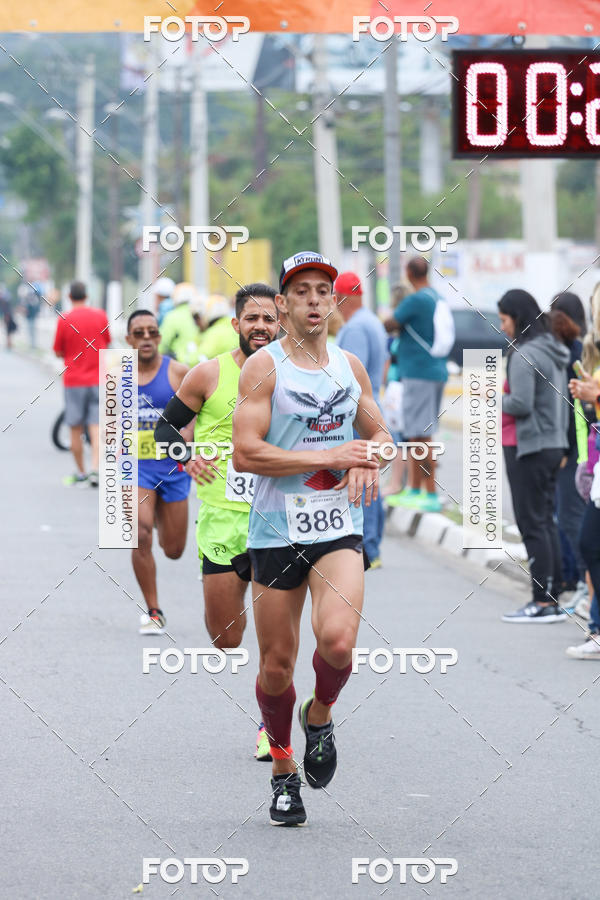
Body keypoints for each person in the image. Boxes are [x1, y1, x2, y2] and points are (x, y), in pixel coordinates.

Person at [232, 251, 390, 826]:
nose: (314, 300)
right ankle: (282, 772)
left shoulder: (350, 367)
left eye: (323, 290)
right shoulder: (264, 368)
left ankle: (319, 714)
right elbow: (246, 453)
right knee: (276, 666)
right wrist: (331, 455)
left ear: (334, 300)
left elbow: (382, 435)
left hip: (337, 527)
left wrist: (369, 458)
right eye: (301, 291)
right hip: (276, 528)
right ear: (283, 304)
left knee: (339, 643)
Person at [154, 283, 279, 758]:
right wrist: (186, 456)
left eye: (269, 319)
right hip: (222, 522)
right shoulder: (208, 374)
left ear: (281, 323)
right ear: (236, 324)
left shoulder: (295, 375)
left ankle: (272, 727)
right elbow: (166, 428)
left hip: (278, 520)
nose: (261, 327)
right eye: (252, 319)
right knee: (227, 638)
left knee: (275, 638)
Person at [498, 289, 570, 623]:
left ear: (517, 317)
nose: (502, 327)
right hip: (552, 445)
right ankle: (551, 598)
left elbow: (520, 404)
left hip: (528, 447)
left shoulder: (524, 354)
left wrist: (490, 397)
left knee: (531, 523)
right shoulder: (551, 349)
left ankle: (541, 602)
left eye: (504, 319)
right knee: (544, 522)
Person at [126, 309, 192, 634]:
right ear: (128, 339)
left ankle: (158, 517)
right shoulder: (116, 376)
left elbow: (196, 414)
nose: (146, 337)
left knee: (174, 550)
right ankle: (153, 610)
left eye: (152, 331)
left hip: (174, 468)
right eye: (139, 333)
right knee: (139, 534)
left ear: (159, 336)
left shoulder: (179, 372)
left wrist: (186, 444)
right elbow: (107, 422)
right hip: (136, 468)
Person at [334, 271, 388, 568]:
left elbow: (348, 378)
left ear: (340, 299)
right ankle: (372, 546)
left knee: (362, 478)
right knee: (370, 475)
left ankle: (367, 547)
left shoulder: (354, 328)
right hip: (373, 406)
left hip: (358, 414)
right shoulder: (372, 321)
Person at [388, 257, 449, 512]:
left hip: (418, 372)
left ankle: (429, 493)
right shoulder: (436, 297)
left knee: (421, 436)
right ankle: (415, 489)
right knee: (418, 434)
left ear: (408, 273)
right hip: (433, 371)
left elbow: (390, 323)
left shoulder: (416, 300)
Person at [550, 292, 588, 612]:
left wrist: (566, 448)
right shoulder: (572, 350)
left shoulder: (576, 354)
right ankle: (576, 580)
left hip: (578, 450)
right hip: (577, 448)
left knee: (572, 518)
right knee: (567, 517)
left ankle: (585, 586)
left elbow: (574, 408)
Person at [53, 281, 111, 487]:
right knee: (96, 427)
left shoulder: (64, 319)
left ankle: (81, 472)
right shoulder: (100, 315)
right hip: (98, 379)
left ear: (69, 297)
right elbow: (107, 341)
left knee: (75, 428)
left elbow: (58, 351)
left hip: (74, 381)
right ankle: (95, 470)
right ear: (87, 296)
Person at [159, 282, 204, 366]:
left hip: (179, 364)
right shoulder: (200, 315)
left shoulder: (172, 316)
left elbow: (162, 343)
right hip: (199, 364)